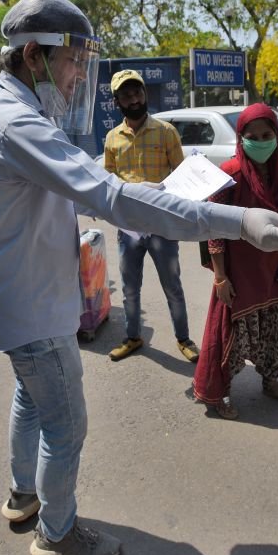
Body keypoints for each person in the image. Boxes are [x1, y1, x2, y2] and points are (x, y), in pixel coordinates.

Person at [0, 0, 278, 555]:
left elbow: (98, 194)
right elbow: (113, 195)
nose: (81, 76)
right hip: (33, 304)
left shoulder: (13, 112)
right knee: (65, 422)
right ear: (34, 55)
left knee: (31, 399)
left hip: (22, 296)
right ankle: (56, 533)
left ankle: (24, 493)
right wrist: (239, 221)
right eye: (75, 61)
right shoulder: (16, 121)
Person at [191, 103, 278, 419]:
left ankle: (270, 382)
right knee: (232, 338)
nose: (260, 141)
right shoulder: (229, 172)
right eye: (252, 136)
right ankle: (218, 394)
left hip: (276, 267)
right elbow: (214, 227)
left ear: (276, 135)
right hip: (239, 271)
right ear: (241, 138)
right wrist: (220, 277)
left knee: (277, 331)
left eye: (267, 134)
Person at [102, 70, 199, 363]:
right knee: (130, 288)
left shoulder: (166, 131)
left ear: (145, 95)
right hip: (129, 228)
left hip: (161, 225)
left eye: (138, 93)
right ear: (117, 101)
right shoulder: (112, 138)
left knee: (173, 286)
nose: (134, 99)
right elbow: (108, 179)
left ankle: (184, 339)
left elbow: (183, 176)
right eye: (127, 95)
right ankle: (133, 337)